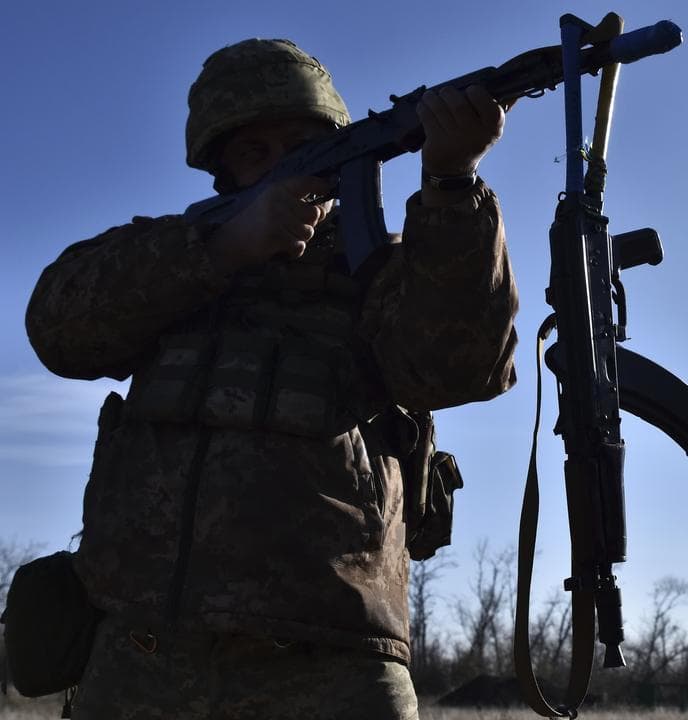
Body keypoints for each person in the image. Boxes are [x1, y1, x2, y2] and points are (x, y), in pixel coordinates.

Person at [24, 38, 518, 719]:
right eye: (255, 151)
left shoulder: (384, 269)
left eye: (300, 144)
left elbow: (459, 371)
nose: (282, 162)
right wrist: (227, 247)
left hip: (336, 662)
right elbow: (58, 328)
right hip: (145, 653)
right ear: (221, 169)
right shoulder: (174, 253)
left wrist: (452, 183)